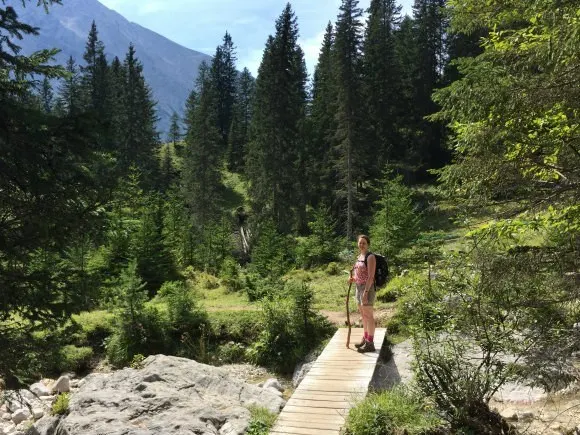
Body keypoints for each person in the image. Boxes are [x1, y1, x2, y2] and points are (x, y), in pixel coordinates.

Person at [348, 235, 376, 353]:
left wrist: (366, 293)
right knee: (363, 315)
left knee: (369, 316)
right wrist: (353, 279)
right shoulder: (359, 256)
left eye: (364, 243)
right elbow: (359, 274)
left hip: (367, 289)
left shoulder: (370, 257)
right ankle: (365, 338)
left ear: (368, 244)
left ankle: (370, 343)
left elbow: (370, 277)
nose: (361, 245)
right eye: (360, 243)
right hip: (358, 287)